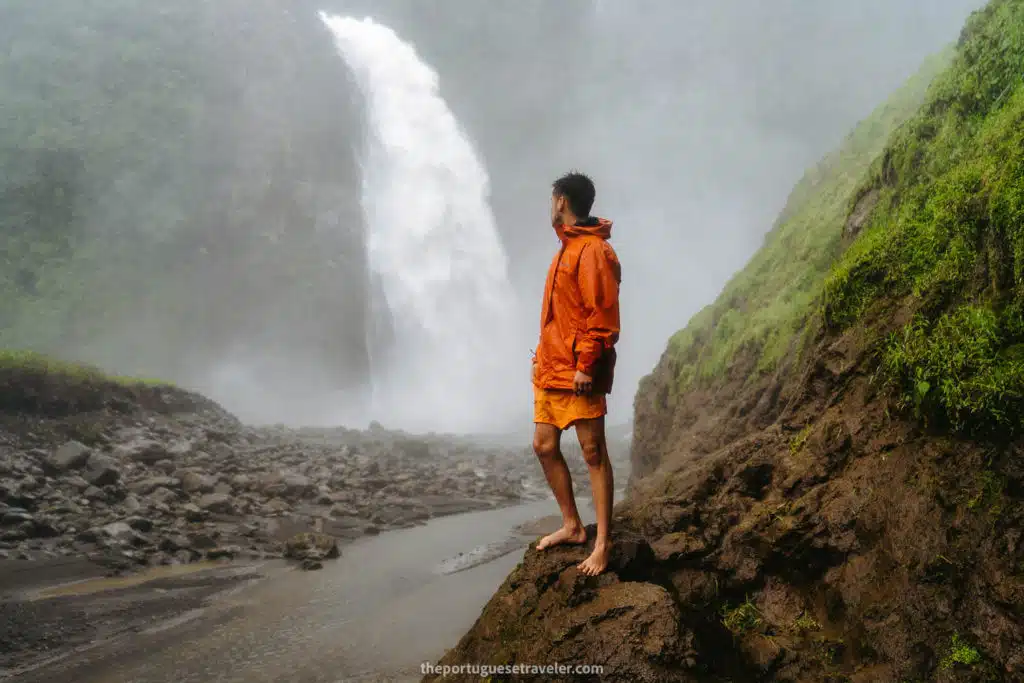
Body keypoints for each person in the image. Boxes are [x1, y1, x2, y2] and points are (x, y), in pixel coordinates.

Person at [531, 171, 621, 576]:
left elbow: (598, 314)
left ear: (562, 201)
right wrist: (541, 357)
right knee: (544, 446)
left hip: (576, 372)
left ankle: (602, 543)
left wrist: (586, 365)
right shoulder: (565, 250)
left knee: (593, 453)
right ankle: (572, 525)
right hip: (551, 370)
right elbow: (560, 317)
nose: (550, 206)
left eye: (552, 199)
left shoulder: (592, 252)